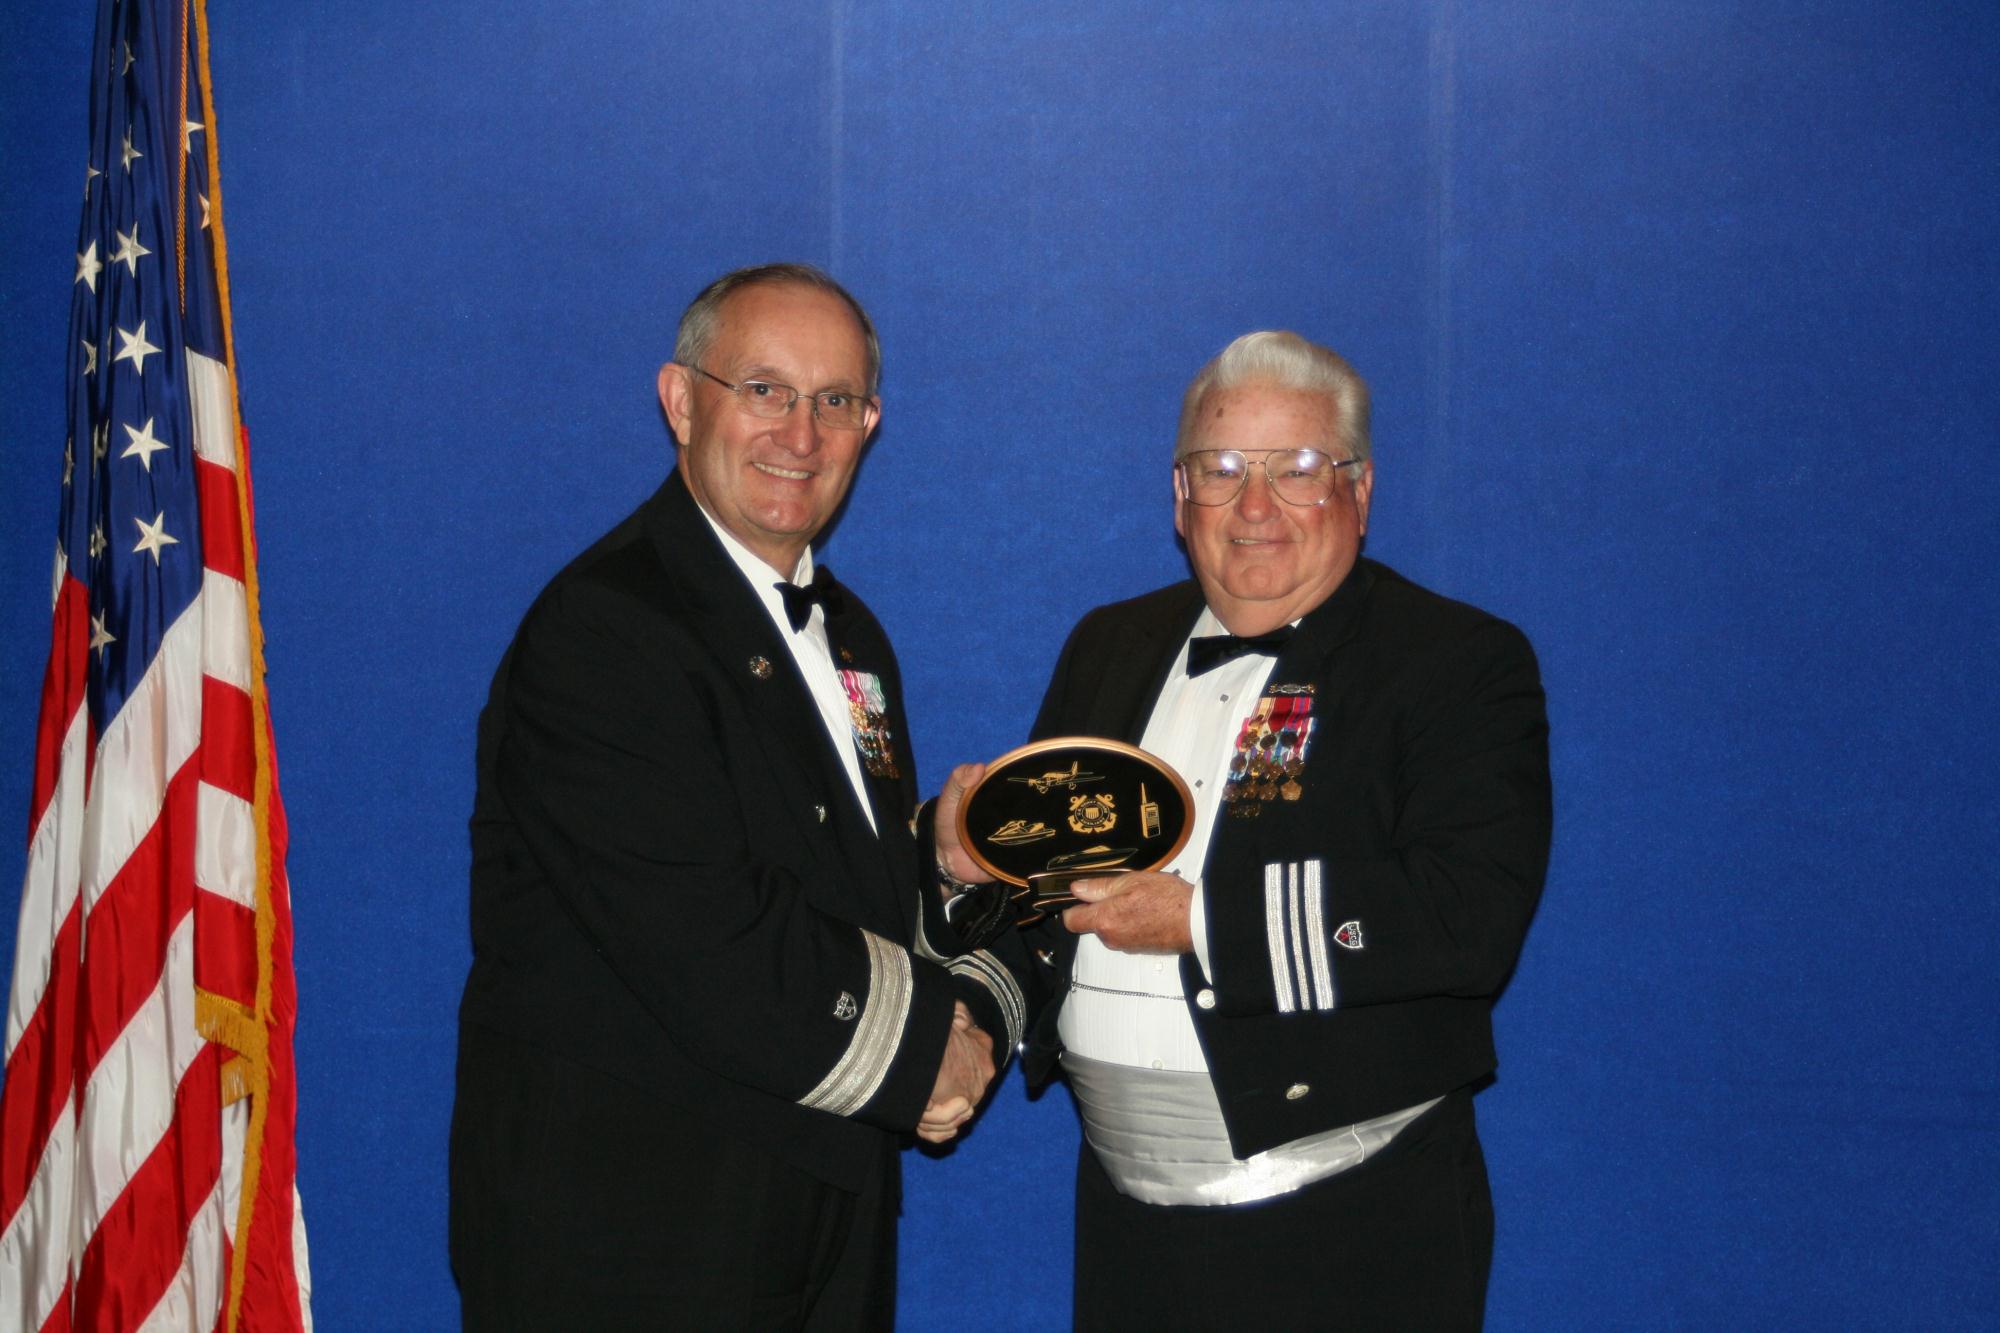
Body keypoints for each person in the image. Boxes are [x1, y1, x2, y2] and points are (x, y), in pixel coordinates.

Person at [449, 264, 1023, 1329]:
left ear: (870, 425)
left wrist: (934, 861)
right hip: (632, 1243)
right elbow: (701, 930)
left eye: (835, 400)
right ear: (680, 399)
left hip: (817, 1214)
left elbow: (813, 876)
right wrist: (925, 1055)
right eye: (764, 389)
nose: (800, 434)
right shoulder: (605, 631)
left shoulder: (851, 637)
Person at [1018, 330, 1552, 1330]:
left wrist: (1200, 921)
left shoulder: (1454, 661)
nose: (1254, 506)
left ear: (1360, 490)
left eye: (1296, 469)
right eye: (1221, 469)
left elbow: (1468, 915)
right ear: (1179, 494)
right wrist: (971, 994)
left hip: (1352, 1227)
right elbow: (1037, 889)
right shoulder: (1108, 644)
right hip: (1125, 1225)